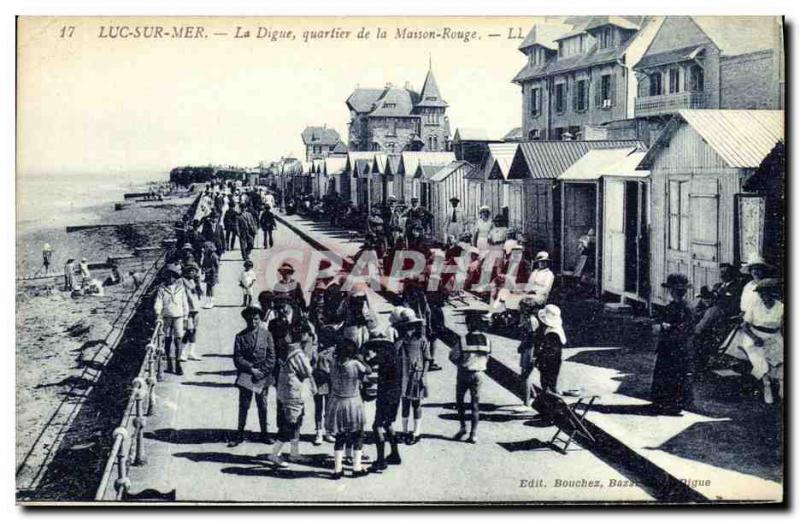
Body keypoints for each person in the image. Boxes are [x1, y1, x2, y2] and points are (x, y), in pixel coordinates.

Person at [268, 317, 316, 467]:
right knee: (291, 423)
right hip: (293, 393)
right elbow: (307, 371)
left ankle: (294, 452)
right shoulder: (298, 353)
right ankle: (274, 454)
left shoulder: (288, 348)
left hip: (288, 391)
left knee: (296, 421)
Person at [229, 305, 276, 447]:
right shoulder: (240, 336)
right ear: (246, 320)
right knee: (244, 405)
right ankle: (239, 434)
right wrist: (252, 369)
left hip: (262, 376)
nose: (253, 322)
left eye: (256, 319)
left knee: (263, 405)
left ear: (260, 319)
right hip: (246, 376)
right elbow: (238, 358)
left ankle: (264, 434)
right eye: (250, 320)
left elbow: (271, 356)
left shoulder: (267, 335)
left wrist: (263, 371)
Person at [326, 337, 372, 479]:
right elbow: (368, 371)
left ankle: (337, 469)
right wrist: (362, 359)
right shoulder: (355, 364)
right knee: (357, 435)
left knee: (340, 436)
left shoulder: (333, 363)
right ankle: (356, 467)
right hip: (353, 402)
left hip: (337, 401)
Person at [650, 273, 693, 415]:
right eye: (674, 290)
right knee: (668, 373)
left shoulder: (685, 308)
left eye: (679, 291)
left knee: (673, 374)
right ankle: (666, 402)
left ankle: (672, 404)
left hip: (675, 345)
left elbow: (686, 327)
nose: (676, 293)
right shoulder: (673, 306)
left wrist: (666, 327)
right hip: (671, 345)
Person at [739, 279, 783, 404]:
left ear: (774, 293)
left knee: (780, 360)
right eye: (761, 293)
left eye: (767, 293)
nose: (764, 296)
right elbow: (744, 326)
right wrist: (755, 338)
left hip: (774, 336)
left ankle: (781, 386)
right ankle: (767, 385)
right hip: (754, 336)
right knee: (761, 361)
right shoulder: (754, 306)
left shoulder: (781, 307)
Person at [450, 312, 492, 443]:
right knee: (475, 405)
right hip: (479, 373)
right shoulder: (487, 340)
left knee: (460, 401)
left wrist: (461, 363)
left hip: (464, 372)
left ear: (469, 325)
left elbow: (453, 356)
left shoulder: (463, 340)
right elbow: (488, 357)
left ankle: (463, 428)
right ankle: (473, 434)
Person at [397, 308, 432, 445]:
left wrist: (424, 375)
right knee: (405, 403)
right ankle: (405, 431)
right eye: (406, 327)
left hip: (417, 375)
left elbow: (428, 358)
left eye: (411, 326)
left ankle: (417, 431)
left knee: (416, 404)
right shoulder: (400, 341)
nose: (409, 329)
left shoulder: (421, 340)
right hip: (404, 375)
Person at [154, 264, 191, 375]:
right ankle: (169, 363)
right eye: (168, 276)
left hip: (178, 316)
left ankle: (178, 363)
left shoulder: (180, 289)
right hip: (166, 317)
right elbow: (158, 302)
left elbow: (185, 303)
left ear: (176, 278)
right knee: (167, 339)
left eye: (173, 276)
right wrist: (158, 312)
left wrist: (185, 317)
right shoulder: (162, 289)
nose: (170, 279)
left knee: (178, 339)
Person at [535, 304, 567, 396]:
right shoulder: (555, 328)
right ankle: (550, 390)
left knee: (547, 376)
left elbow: (549, 350)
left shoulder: (552, 333)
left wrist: (540, 358)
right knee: (552, 376)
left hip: (551, 357)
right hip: (555, 356)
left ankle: (548, 394)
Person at [181, 261, 203, 362]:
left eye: (194, 271)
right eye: (190, 271)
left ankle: (191, 352)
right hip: (188, 310)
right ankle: (182, 353)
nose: (192, 273)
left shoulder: (193, 281)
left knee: (194, 331)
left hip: (195, 309)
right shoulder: (182, 281)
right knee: (188, 331)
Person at [201, 242, 219, 309]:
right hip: (207, 273)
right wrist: (203, 269)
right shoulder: (206, 255)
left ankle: (211, 302)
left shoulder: (214, 256)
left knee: (211, 287)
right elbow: (203, 263)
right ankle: (207, 301)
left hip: (212, 274)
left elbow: (216, 266)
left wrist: (215, 273)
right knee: (208, 287)